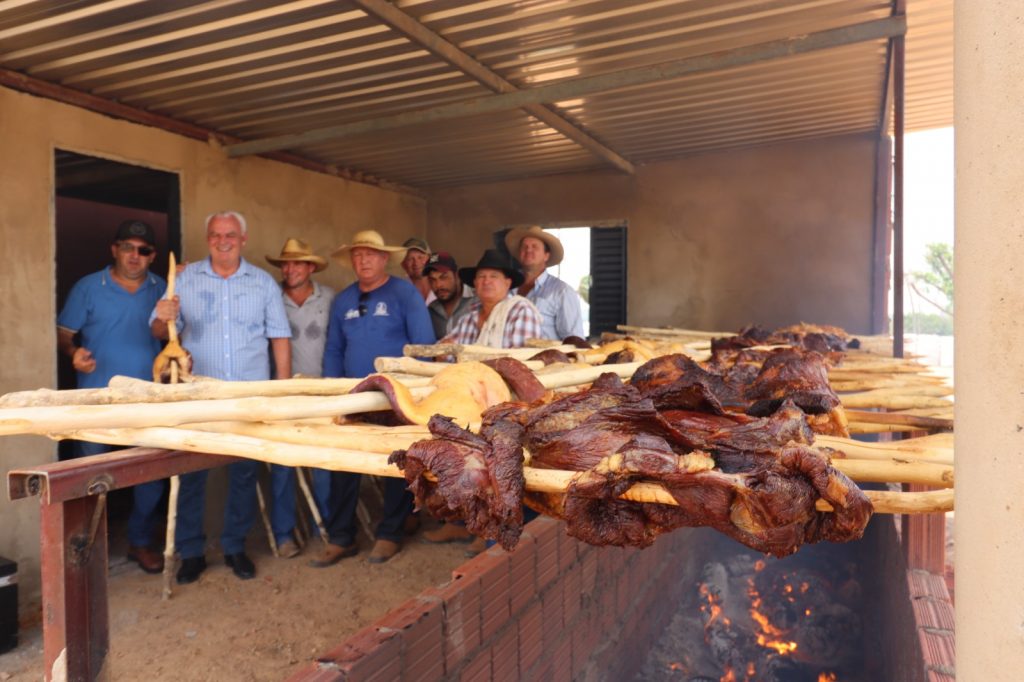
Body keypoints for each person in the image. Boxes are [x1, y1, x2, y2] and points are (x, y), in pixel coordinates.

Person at [151, 211, 292, 584]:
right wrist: (162, 314)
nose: (223, 240)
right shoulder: (185, 279)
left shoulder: (262, 283)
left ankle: (234, 547)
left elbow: (279, 338)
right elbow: (158, 329)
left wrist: (281, 390)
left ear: (243, 239)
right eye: (216, 234)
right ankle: (191, 552)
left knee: (243, 474)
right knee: (191, 472)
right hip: (198, 394)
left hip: (248, 394)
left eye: (230, 234)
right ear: (207, 237)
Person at [314, 230, 434, 567]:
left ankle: (389, 534)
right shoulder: (344, 300)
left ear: (384, 259)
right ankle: (341, 537)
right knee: (343, 464)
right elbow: (335, 348)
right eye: (357, 255)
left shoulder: (403, 294)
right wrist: (334, 392)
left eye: (371, 254)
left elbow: (422, 345)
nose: (363, 260)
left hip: (394, 395)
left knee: (394, 462)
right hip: (352, 397)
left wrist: (414, 392)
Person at [57, 219, 168, 574]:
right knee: (90, 472)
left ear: (152, 256)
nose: (135, 256)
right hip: (97, 398)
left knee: (151, 471)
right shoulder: (89, 287)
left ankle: (140, 541)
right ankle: (85, 549)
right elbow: (65, 333)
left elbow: (171, 337)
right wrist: (72, 353)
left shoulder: (161, 288)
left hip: (147, 399)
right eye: (127, 247)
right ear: (114, 249)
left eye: (143, 250)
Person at [264, 238, 334, 559]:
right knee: (282, 466)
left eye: (297, 263)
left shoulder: (330, 299)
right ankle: (283, 534)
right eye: (285, 264)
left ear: (310, 267)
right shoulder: (269, 297)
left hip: (321, 396)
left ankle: (331, 531)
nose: (290, 269)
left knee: (324, 466)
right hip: (281, 395)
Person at [443, 249, 543, 348]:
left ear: (507, 283)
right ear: (475, 283)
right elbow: (447, 352)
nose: (486, 281)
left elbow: (524, 359)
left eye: (494, 276)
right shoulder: (468, 319)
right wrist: (444, 350)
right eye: (481, 276)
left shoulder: (520, 311)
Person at [504, 225, 585, 341]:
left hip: (544, 358)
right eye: (524, 247)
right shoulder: (505, 286)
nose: (528, 250)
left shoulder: (562, 292)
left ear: (546, 256)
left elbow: (573, 338)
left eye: (535, 247)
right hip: (506, 357)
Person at [424, 251, 473, 339]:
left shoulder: (477, 301)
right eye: (432, 280)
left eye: (443, 277)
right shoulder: (430, 311)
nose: (438, 285)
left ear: (457, 275)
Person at [401, 237, 435, 303]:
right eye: (410, 259)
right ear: (403, 264)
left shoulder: (443, 284)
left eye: (420, 257)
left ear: (430, 259)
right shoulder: (399, 290)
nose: (416, 263)